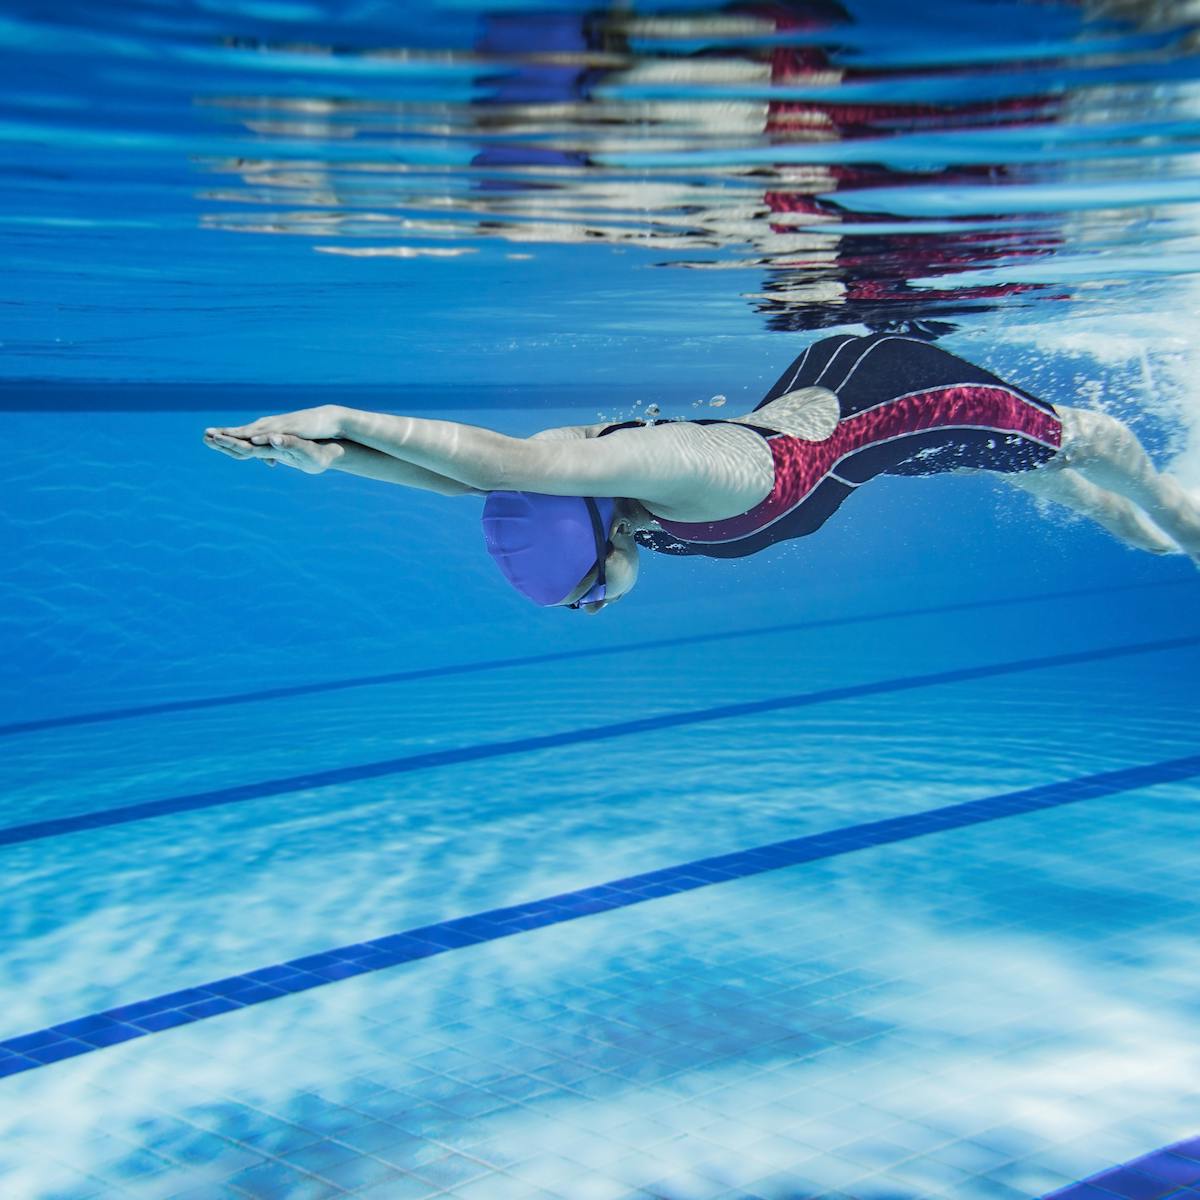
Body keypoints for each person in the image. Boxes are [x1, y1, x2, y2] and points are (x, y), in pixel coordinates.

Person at [204, 333, 1200, 614]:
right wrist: (333, 463)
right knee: (1019, 470)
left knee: (1084, 443)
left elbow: (504, 461)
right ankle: (1089, 497)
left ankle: (1167, 503)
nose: (599, 607)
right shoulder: (625, 516)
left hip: (902, 390)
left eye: (589, 598)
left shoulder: (687, 474)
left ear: (597, 546)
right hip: (870, 433)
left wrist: (336, 414)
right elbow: (475, 486)